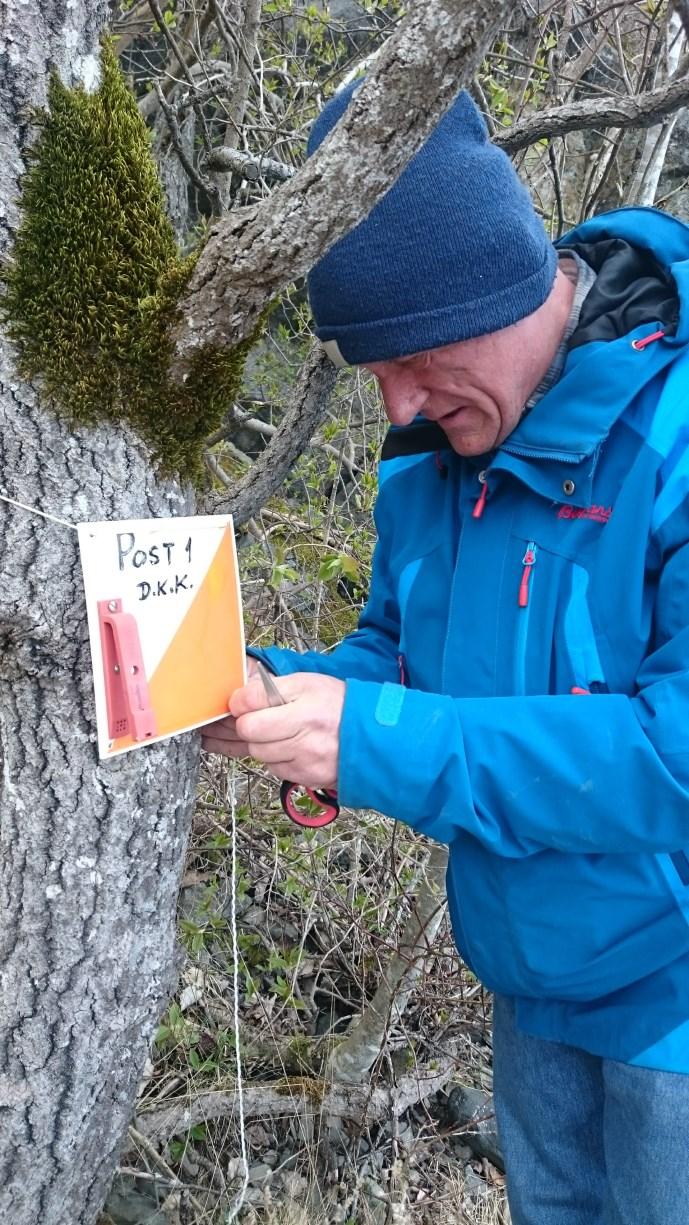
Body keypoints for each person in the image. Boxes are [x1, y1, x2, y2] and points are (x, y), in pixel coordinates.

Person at [203, 83, 689, 1224]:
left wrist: (375, 738)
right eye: (372, 366)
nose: (398, 399)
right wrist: (290, 697)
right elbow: (400, 658)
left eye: (413, 353)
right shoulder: (426, 458)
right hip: (526, 988)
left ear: (500, 281)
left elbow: (671, 758)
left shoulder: (668, 436)